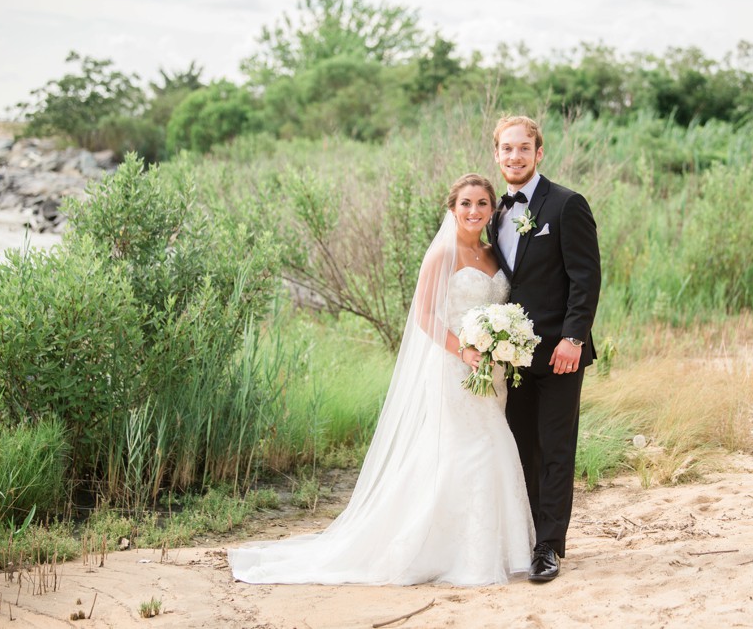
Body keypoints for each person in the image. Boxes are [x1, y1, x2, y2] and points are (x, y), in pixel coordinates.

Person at [229, 174, 534, 586]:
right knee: (472, 450)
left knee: (489, 446)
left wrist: (501, 342)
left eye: (482, 203)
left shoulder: (492, 252)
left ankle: (492, 549)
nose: (474, 211)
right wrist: (464, 350)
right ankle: (453, 552)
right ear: (452, 208)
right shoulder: (442, 254)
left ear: (491, 208)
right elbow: (425, 316)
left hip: (491, 373)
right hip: (454, 367)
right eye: (466, 203)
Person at [489, 115, 601, 583]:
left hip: (560, 351)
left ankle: (549, 547)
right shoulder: (493, 212)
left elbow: (586, 276)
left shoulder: (567, 205)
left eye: (523, 148)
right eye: (506, 149)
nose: (515, 156)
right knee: (520, 449)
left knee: (555, 448)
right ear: (497, 155)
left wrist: (574, 337)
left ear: (539, 154)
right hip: (513, 359)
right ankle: (526, 535)